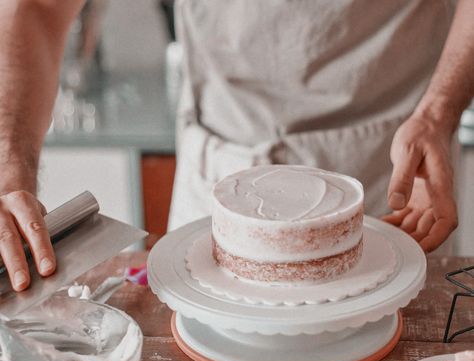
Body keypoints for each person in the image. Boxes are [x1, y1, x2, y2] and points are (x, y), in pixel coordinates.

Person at [0, 0, 472, 292]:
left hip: (388, 174)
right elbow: (37, 7)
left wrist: (439, 112)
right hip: (217, 174)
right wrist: (8, 173)